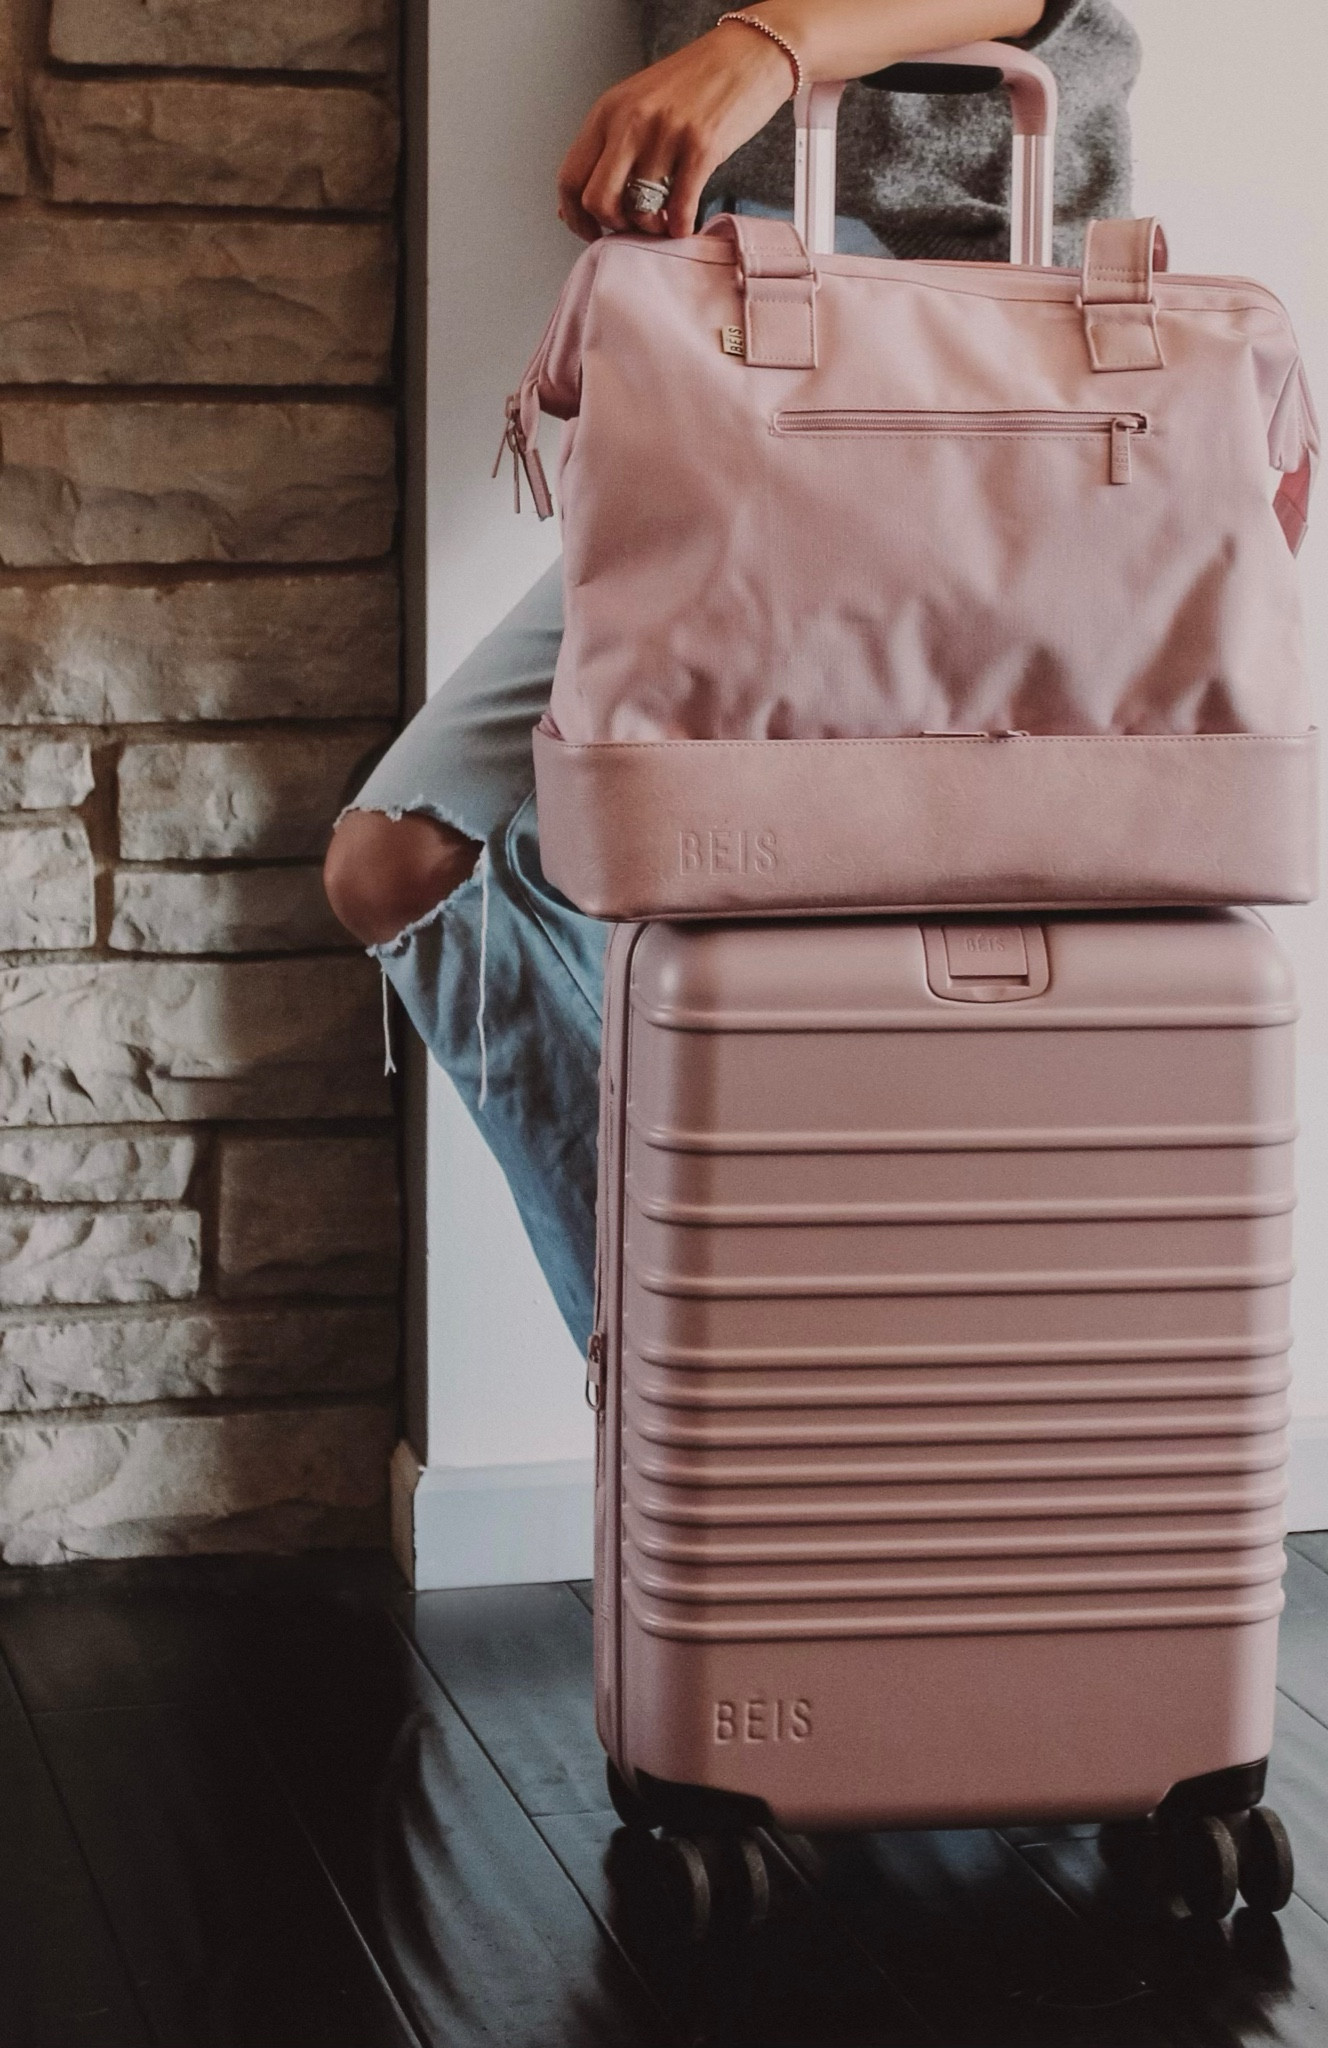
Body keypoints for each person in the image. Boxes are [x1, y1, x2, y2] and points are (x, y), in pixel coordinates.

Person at [324, 0, 1140, 1352]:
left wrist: (757, 46)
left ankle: (772, 1405)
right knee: (410, 857)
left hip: (971, 387)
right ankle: (720, 1382)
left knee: (860, 976)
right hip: (741, 381)